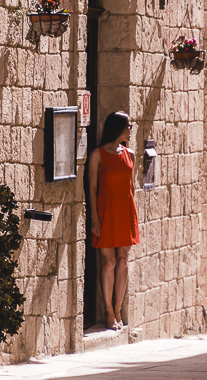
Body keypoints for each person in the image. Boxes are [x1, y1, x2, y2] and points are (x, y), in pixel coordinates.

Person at [87, 111, 139, 330]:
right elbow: (91, 187)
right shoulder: (97, 155)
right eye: (128, 126)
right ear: (118, 128)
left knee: (123, 261)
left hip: (125, 210)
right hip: (105, 211)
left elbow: (132, 186)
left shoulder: (131, 154)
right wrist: (94, 218)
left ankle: (118, 309)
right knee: (108, 262)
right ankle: (108, 311)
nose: (130, 130)